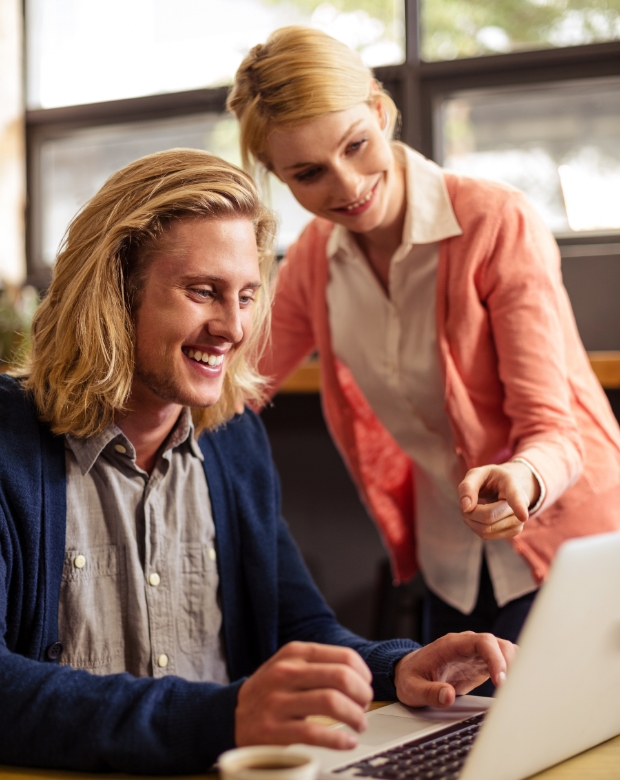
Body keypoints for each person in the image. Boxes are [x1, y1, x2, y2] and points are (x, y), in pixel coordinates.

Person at [0, 148, 515, 775]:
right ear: (112, 292)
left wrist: (395, 668)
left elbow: (295, 625)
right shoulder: (9, 443)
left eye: (246, 296)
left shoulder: (233, 438)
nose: (234, 327)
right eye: (202, 292)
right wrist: (222, 718)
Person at [227, 26, 620, 667]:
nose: (348, 185)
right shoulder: (313, 264)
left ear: (381, 112)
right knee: (458, 743)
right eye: (309, 173)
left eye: (356, 145)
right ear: (281, 178)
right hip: (449, 558)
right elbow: (237, 385)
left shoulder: (495, 222)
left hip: (563, 542)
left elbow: (555, 430)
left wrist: (522, 476)